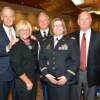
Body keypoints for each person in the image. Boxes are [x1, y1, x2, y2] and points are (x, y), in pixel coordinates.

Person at [39, 17, 79, 100]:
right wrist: (47, 75)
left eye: (60, 25)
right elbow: (41, 59)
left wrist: (66, 77)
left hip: (65, 81)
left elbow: (75, 61)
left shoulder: (71, 41)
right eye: (55, 25)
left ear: (63, 27)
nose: (57, 27)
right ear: (52, 28)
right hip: (51, 80)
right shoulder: (46, 42)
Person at [70, 11, 98, 100]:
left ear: (90, 21)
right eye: (81, 19)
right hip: (74, 74)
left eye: (86, 19)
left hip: (92, 75)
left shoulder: (98, 37)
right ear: (78, 22)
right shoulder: (70, 37)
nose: (84, 22)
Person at [10, 20, 38, 100]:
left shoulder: (33, 42)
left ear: (30, 31)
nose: (25, 31)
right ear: (18, 31)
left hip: (33, 77)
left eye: (27, 29)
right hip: (22, 80)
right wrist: (27, 81)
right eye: (22, 29)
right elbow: (16, 65)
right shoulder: (16, 45)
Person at [0, 6, 17, 100]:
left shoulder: (18, 31)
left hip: (17, 73)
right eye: (6, 16)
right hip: (2, 74)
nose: (9, 19)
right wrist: (7, 47)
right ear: (1, 17)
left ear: (14, 18)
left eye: (11, 16)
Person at [33, 11, 51, 100]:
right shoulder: (33, 36)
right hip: (38, 69)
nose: (43, 22)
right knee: (44, 91)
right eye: (40, 20)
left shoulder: (55, 33)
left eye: (45, 20)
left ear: (49, 21)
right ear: (38, 22)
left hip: (53, 69)